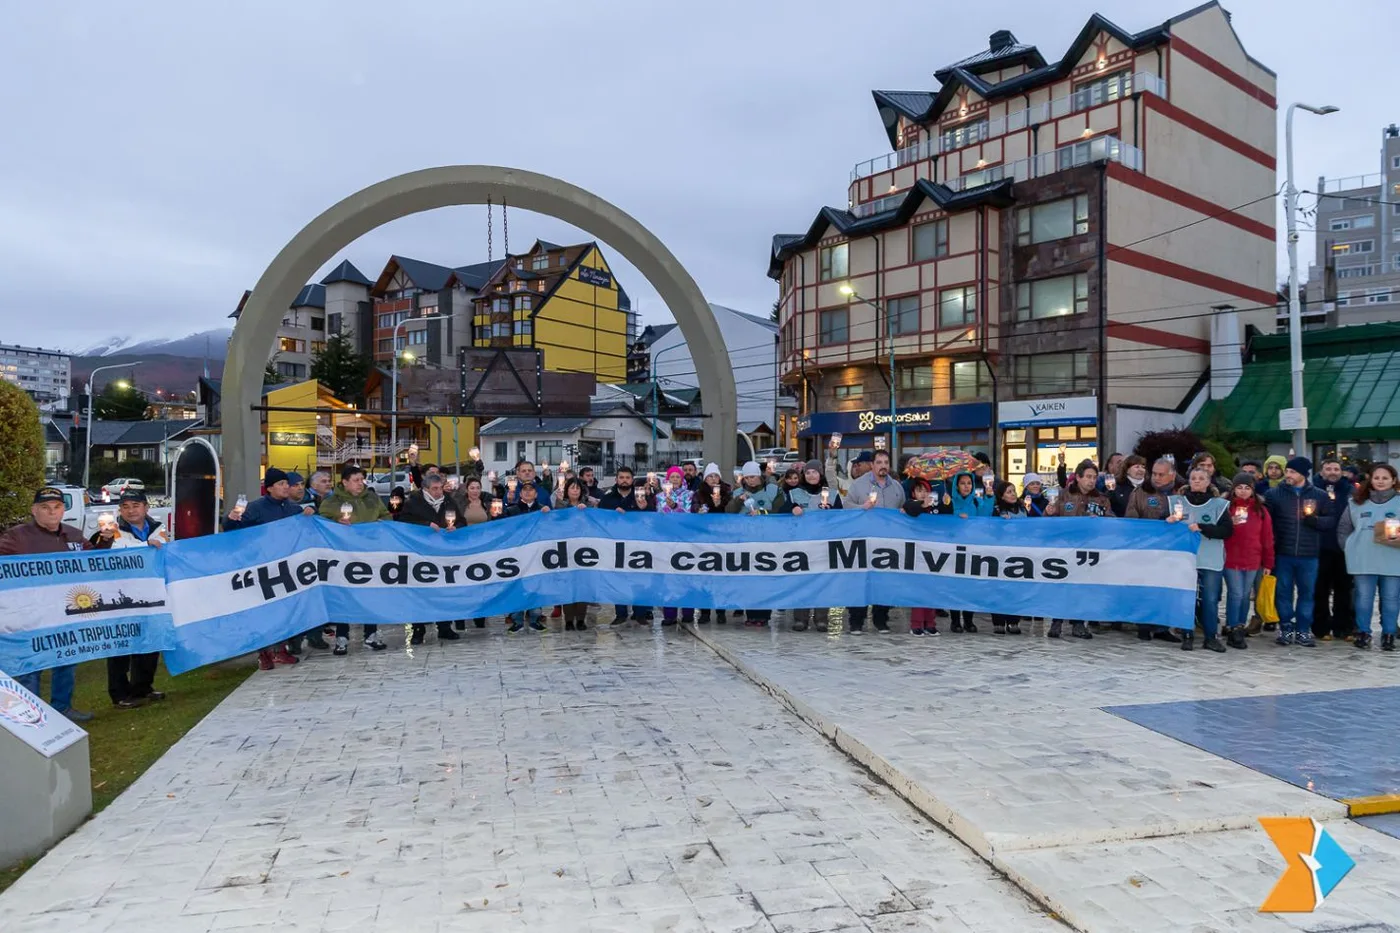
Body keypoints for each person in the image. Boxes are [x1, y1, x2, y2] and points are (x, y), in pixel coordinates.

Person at [1, 487, 114, 721]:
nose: (52, 512)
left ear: (63, 510)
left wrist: (105, 541)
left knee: (66, 659)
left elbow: (92, 561)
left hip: (64, 612)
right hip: (30, 614)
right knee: (31, 666)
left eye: (57, 507)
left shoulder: (73, 535)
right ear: (34, 511)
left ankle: (62, 707)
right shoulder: (17, 537)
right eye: (45, 508)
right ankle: (30, 715)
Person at [88, 490, 168, 708]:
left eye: (136, 505)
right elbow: (98, 556)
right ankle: (120, 694)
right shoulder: (111, 532)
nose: (131, 510)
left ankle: (143, 687)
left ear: (146, 508)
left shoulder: (159, 529)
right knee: (122, 645)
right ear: (120, 511)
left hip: (151, 593)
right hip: (120, 597)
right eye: (126, 507)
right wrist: (103, 540)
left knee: (150, 642)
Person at [225, 469, 309, 668]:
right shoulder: (255, 508)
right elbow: (231, 531)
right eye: (281, 484)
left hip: (285, 566)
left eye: (286, 483)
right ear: (269, 488)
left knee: (283, 610)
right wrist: (230, 519)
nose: (286, 487)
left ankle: (280, 649)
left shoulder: (293, 509)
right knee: (263, 610)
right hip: (260, 567)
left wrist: (309, 515)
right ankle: (263, 653)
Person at [319, 464, 393, 655]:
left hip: (370, 554)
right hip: (343, 556)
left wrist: (382, 524)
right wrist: (336, 524)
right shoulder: (332, 501)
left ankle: (371, 634)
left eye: (362, 480)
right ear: (345, 482)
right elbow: (321, 522)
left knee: (371, 593)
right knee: (345, 595)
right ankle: (342, 637)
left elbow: (386, 516)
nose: (360, 484)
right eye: (356, 480)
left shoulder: (372, 498)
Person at [1263, 457, 1332, 647]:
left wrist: (1315, 521)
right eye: (1288, 471)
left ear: (1303, 474)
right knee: (1283, 593)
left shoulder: (1320, 495)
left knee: (1307, 593)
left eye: (1292, 472)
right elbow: (1267, 523)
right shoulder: (1274, 494)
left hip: (1309, 554)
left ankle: (1303, 629)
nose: (1288, 475)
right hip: (1283, 552)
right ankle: (1286, 627)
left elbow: (1330, 521)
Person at [1045, 460, 1113, 639]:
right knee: (1062, 585)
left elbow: (1112, 522)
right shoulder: (1064, 495)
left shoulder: (1101, 498)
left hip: (1088, 550)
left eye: (1094, 477)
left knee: (1083, 586)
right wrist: (1048, 513)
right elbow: (1049, 522)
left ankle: (1079, 623)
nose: (1091, 481)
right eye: (1088, 477)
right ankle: (1056, 621)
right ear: (1079, 477)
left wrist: (1101, 519)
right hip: (1064, 549)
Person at [1167, 468, 1234, 652]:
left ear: (1208, 482)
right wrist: (1168, 521)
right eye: (1193, 478)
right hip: (1186, 559)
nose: (1197, 481)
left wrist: (1203, 527)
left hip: (1210, 559)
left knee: (1210, 600)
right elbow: (1165, 530)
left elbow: (1227, 531)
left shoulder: (1218, 505)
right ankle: (1187, 634)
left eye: (1201, 478)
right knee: (1186, 598)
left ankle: (1210, 637)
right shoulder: (1177, 503)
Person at [395, 473, 464, 645]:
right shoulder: (414, 502)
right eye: (434, 489)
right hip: (420, 553)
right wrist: (425, 525)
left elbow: (462, 521)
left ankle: (445, 626)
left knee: (444, 590)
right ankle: (418, 629)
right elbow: (403, 521)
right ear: (425, 489)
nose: (439, 492)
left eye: (440, 488)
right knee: (420, 592)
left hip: (443, 553)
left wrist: (456, 527)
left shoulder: (448, 501)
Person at [1124, 458, 1187, 644]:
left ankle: (1162, 627)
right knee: (1146, 588)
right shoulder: (1140, 493)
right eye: (1154, 474)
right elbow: (1131, 520)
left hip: (1173, 550)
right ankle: (1144, 625)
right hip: (1147, 549)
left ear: (1172, 475)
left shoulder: (1181, 493)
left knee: (1167, 589)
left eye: (1161, 474)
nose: (1156, 478)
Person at [1339, 463, 1400, 651]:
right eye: (1377, 478)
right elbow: (1343, 529)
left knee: (1391, 598)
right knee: (1363, 598)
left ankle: (1389, 634)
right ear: (1370, 480)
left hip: (1393, 559)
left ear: (1394, 481)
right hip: (1363, 559)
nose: (1380, 481)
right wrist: (1349, 549)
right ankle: (1363, 632)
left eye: (1385, 478)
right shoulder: (1356, 502)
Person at [846, 450, 905, 634]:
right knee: (860, 581)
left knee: (884, 581)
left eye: (886, 462)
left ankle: (881, 619)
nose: (883, 466)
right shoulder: (858, 485)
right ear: (872, 465)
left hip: (887, 544)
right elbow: (846, 507)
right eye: (879, 462)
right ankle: (856, 621)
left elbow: (902, 508)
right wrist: (861, 508)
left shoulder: (896, 487)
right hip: (864, 541)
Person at [781, 460, 841, 632]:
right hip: (802, 544)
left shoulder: (832, 494)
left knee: (822, 581)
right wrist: (791, 507)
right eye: (808, 473)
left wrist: (831, 513)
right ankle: (801, 618)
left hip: (824, 544)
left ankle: (822, 618)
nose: (811, 476)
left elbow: (841, 517)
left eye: (814, 472)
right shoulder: (794, 493)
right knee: (801, 581)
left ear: (820, 474)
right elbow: (781, 511)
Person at [726, 461, 782, 627]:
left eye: (753, 477)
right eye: (748, 477)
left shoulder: (772, 490)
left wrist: (762, 512)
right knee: (748, 579)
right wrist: (738, 500)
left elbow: (780, 510)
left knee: (764, 578)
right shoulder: (738, 492)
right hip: (745, 541)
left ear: (759, 476)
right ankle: (751, 614)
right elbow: (728, 512)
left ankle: (764, 615)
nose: (751, 480)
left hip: (767, 540)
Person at [1223, 473, 1273, 649]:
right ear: (1234, 489)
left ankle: (1239, 625)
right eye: (1239, 488)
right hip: (1231, 557)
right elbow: (1219, 530)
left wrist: (1268, 563)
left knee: (1245, 595)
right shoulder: (1226, 508)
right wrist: (1230, 523)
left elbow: (1267, 538)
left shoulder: (1260, 510)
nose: (1243, 491)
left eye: (1247, 488)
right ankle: (1231, 626)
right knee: (1235, 593)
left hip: (1253, 558)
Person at [599, 466, 655, 624]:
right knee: (618, 579)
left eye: (627, 477)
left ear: (632, 479)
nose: (624, 480)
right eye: (621, 477)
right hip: (616, 544)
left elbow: (652, 518)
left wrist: (645, 508)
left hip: (638, 544)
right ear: (616, 479)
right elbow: (601, 520)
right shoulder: (608, 498)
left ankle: (640, 614)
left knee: (639, 579)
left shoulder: (641, 496)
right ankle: (621, 613)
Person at [1311, 457, 1356, 641]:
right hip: (1321, 546)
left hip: (1344, 548)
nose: (1332, 472)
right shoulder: (1313, 489)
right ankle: (1321, 627)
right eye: (1328, 469)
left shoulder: (1351, 490)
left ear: (1341, 471)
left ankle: (1343, 627)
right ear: (1322, 471)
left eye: (1336, 469)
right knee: (1320, 589)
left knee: (1344, 590)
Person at [944, 470, 993, 633]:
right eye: (963, 483)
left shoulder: (977, 502)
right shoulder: (949, 501)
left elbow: (987, 514)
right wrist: (957, 516)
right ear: (957, 486)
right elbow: (942, 521)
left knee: (970, 586)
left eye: (969, 483)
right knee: (955, 586)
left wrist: (989, 496)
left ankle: (969, 620)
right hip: (953, 549)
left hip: (972, 549)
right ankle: (955, 620)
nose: (966, 486)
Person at [902, 479, 945, 636]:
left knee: (931, 589)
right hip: (916, 554)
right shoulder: (911, 505)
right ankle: (917, 624)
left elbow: (947, 517)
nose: (923, 494)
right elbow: (910, 508)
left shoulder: (934, 508)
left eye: (925, 491)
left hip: (933, 553)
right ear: (914, 493)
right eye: (919, 490)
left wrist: (947, 502)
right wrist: (922, 505)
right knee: (919, 590)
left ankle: (930, 623)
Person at [692, 464, 731, 625]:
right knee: (704, 576)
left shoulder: (727, 492)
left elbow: (731, 511)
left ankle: (721, 611)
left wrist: (720, 503)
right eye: (710, 476)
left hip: (722, 538)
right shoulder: (699, 493)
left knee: (720, 576)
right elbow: (693, 508)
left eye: (715, 476)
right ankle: (705, 611)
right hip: (704, 539)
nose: (713, 479)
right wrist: (698, 511)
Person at [657, 466, 695, 627]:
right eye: (671, 477)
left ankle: (688, 612)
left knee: (686, 577)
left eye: (677, 477)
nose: (674, 480)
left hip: (685, 539)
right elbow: (659, 516)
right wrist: (667, 506)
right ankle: (669, 614)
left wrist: (674, 507)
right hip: (667, 539)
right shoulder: (659, 496)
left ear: (682, 479)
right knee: (668, 578)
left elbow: (688, 514)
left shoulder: (689, 495)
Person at [555, 478, 593, 631]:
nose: (575, 491)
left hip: (584, 551)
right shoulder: (561, 506)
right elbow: (556, 522)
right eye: (572, 488)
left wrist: (587, 512)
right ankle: (569, 620)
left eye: (577, 488)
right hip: (566, 550)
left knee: (582, 586)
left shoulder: (588, 506)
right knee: (567, 586)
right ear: (567, 490)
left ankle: (581, 619)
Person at [990, 480, 1026, 634]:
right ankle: (998, 621)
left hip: (1019, 554)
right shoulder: (997, 510)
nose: (1012, 494)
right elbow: (990, 530)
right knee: (999, 588)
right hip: (1001, 554)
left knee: (1016, 588)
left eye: (1013, 491)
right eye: (1009, 492)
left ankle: (1013, 621)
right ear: (1001, 495)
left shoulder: (1023, 509)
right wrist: (1000, 524)